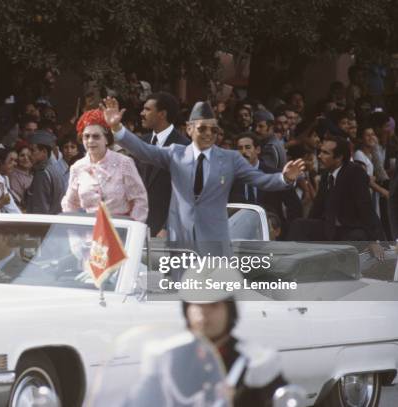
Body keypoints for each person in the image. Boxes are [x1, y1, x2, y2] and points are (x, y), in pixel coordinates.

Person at [102, 97, 304, 254]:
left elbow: (260, 179)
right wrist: (117, 129)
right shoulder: (175, 153)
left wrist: (285, 178)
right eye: (203, 128)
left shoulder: (230, 158)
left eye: (214, 130)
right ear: (189, 129)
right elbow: (143, 150)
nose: (209, 134)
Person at [181, 267, 287, 407]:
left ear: (231, 310)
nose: (203, 313)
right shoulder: (171, 359)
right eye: (196, 304)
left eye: (213, 305)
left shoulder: (257, 363)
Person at [288, 136, 386, 257]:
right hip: (330, 227)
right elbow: (317, 207)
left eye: (325, 153)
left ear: (339, 157)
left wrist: (373, 240)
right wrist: (310, 225)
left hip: (350, 228)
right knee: (299, 225)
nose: (319, 156)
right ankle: (293, 262)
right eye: (320, 151)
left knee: (356, 238)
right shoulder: (326, 175)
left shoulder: (355, 172)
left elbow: (365, 206)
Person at [61, 109, 148, 222]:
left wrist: (134, 228)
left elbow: (139, 200)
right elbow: (70, 203)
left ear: (107, 139)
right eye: (86, 136)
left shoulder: (124, 163)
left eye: (96, 136)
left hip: (120, 231)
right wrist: (74, 233)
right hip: (89, 233)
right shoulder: (77, 167)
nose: (90, 141)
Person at [137, 92, 189, 236]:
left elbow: (185, 194)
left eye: (147, 109)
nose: (142, 113)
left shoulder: (184, 147)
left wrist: (167, 227)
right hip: (137, 225)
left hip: (166, 231)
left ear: (162, 114)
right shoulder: (141, 142)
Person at [231, 133, 302, 231]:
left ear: (258, 150)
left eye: (247, 147)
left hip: (272, 233)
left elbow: (295, 206)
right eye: (240, 148)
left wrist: (287, 231)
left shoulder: (276, 175)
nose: (243, 152)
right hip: (241, 233)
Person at [26, 130, 65, 214]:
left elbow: (40, 208)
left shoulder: (42, 173)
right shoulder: (54, 169)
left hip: (44, 223)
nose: (29, 154)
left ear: (44, 152)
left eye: (32, 150)